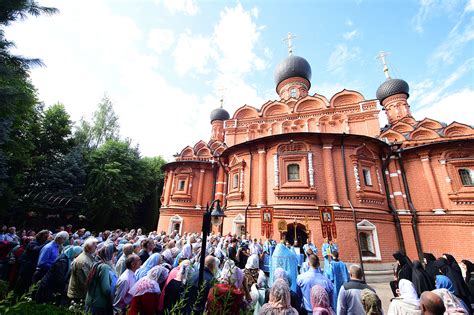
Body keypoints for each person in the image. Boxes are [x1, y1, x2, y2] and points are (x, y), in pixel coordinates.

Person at [85, 243, 117, 315]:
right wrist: (115, 295)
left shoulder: (96, 263)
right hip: (99, 303)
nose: (114, 257)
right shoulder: (105, 267)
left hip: (91, 301)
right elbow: (106, 289)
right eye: (114, 255)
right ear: (109, 255)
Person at [14, 230, 49, 295]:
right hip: (26, 268)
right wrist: (47, 242)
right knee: (20, 287)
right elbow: (36, 250)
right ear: (40, 236)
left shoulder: (41, 244)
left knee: (28, 287)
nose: (46, 239)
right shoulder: (32, 243)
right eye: (45, 237)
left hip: (32, 269)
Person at [68, 237, 98, 302]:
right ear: (88, 247)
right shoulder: (83, 261)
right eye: (94, 245)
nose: (96, 247)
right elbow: (84, 281)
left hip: (80, 294)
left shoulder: (87, 257)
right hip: (78, 295)